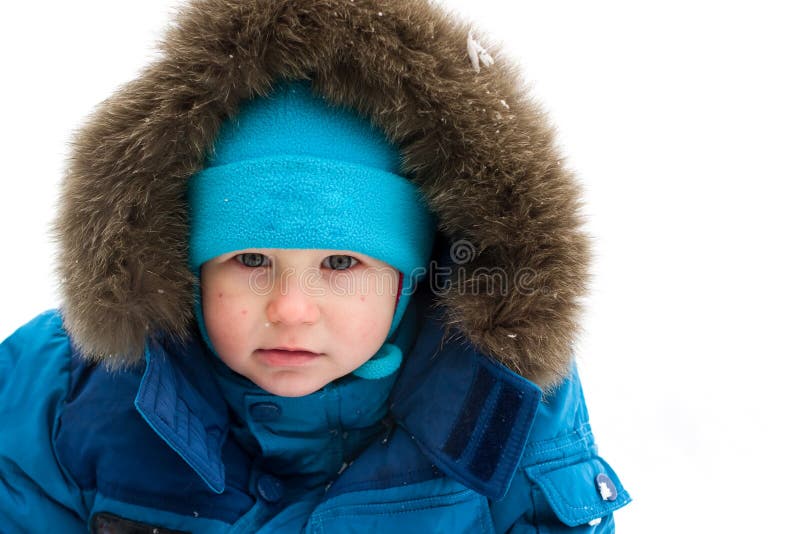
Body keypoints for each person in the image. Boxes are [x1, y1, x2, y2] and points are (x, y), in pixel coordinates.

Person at [0, 0, 630, 531]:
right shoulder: (66, 394)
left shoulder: (500, 407)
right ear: (183, 268)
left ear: (410, 281)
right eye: (250, 258)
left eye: (340, 261)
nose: (291, 310)